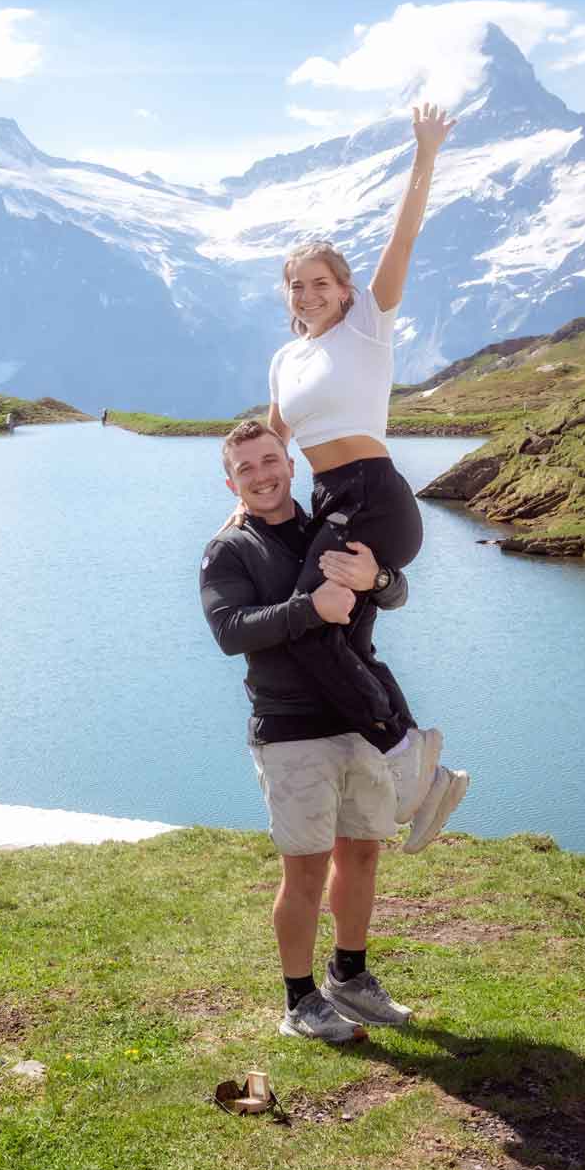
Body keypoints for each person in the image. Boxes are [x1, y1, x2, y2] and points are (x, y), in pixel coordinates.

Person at [200, 420, 467, 1044]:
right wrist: (308, 608)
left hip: (355, 724)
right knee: (307, 870)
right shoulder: (229, 548)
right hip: (290, 729)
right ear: (231, 480)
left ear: (290, 463)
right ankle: (300, 1000)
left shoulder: (330, 522)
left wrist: (377, 577)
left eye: (271, 461)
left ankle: (350, 977)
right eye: (247, 469)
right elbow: (230, 630)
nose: (263, 475)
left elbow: (394, 592)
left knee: (365, 852)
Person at [264, 102, 466, 838]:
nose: (310, 295)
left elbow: (403, 234)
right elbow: (273, 438)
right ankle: (414, 789)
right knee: (344, 644)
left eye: (321, 283)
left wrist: (424, 153)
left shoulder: (367, 326)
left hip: (374, 498)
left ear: (343, 290)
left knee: (313, 630)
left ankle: (414, 758)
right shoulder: (287, 358)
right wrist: (240, 505)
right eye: (297, 286)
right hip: (329, 500)